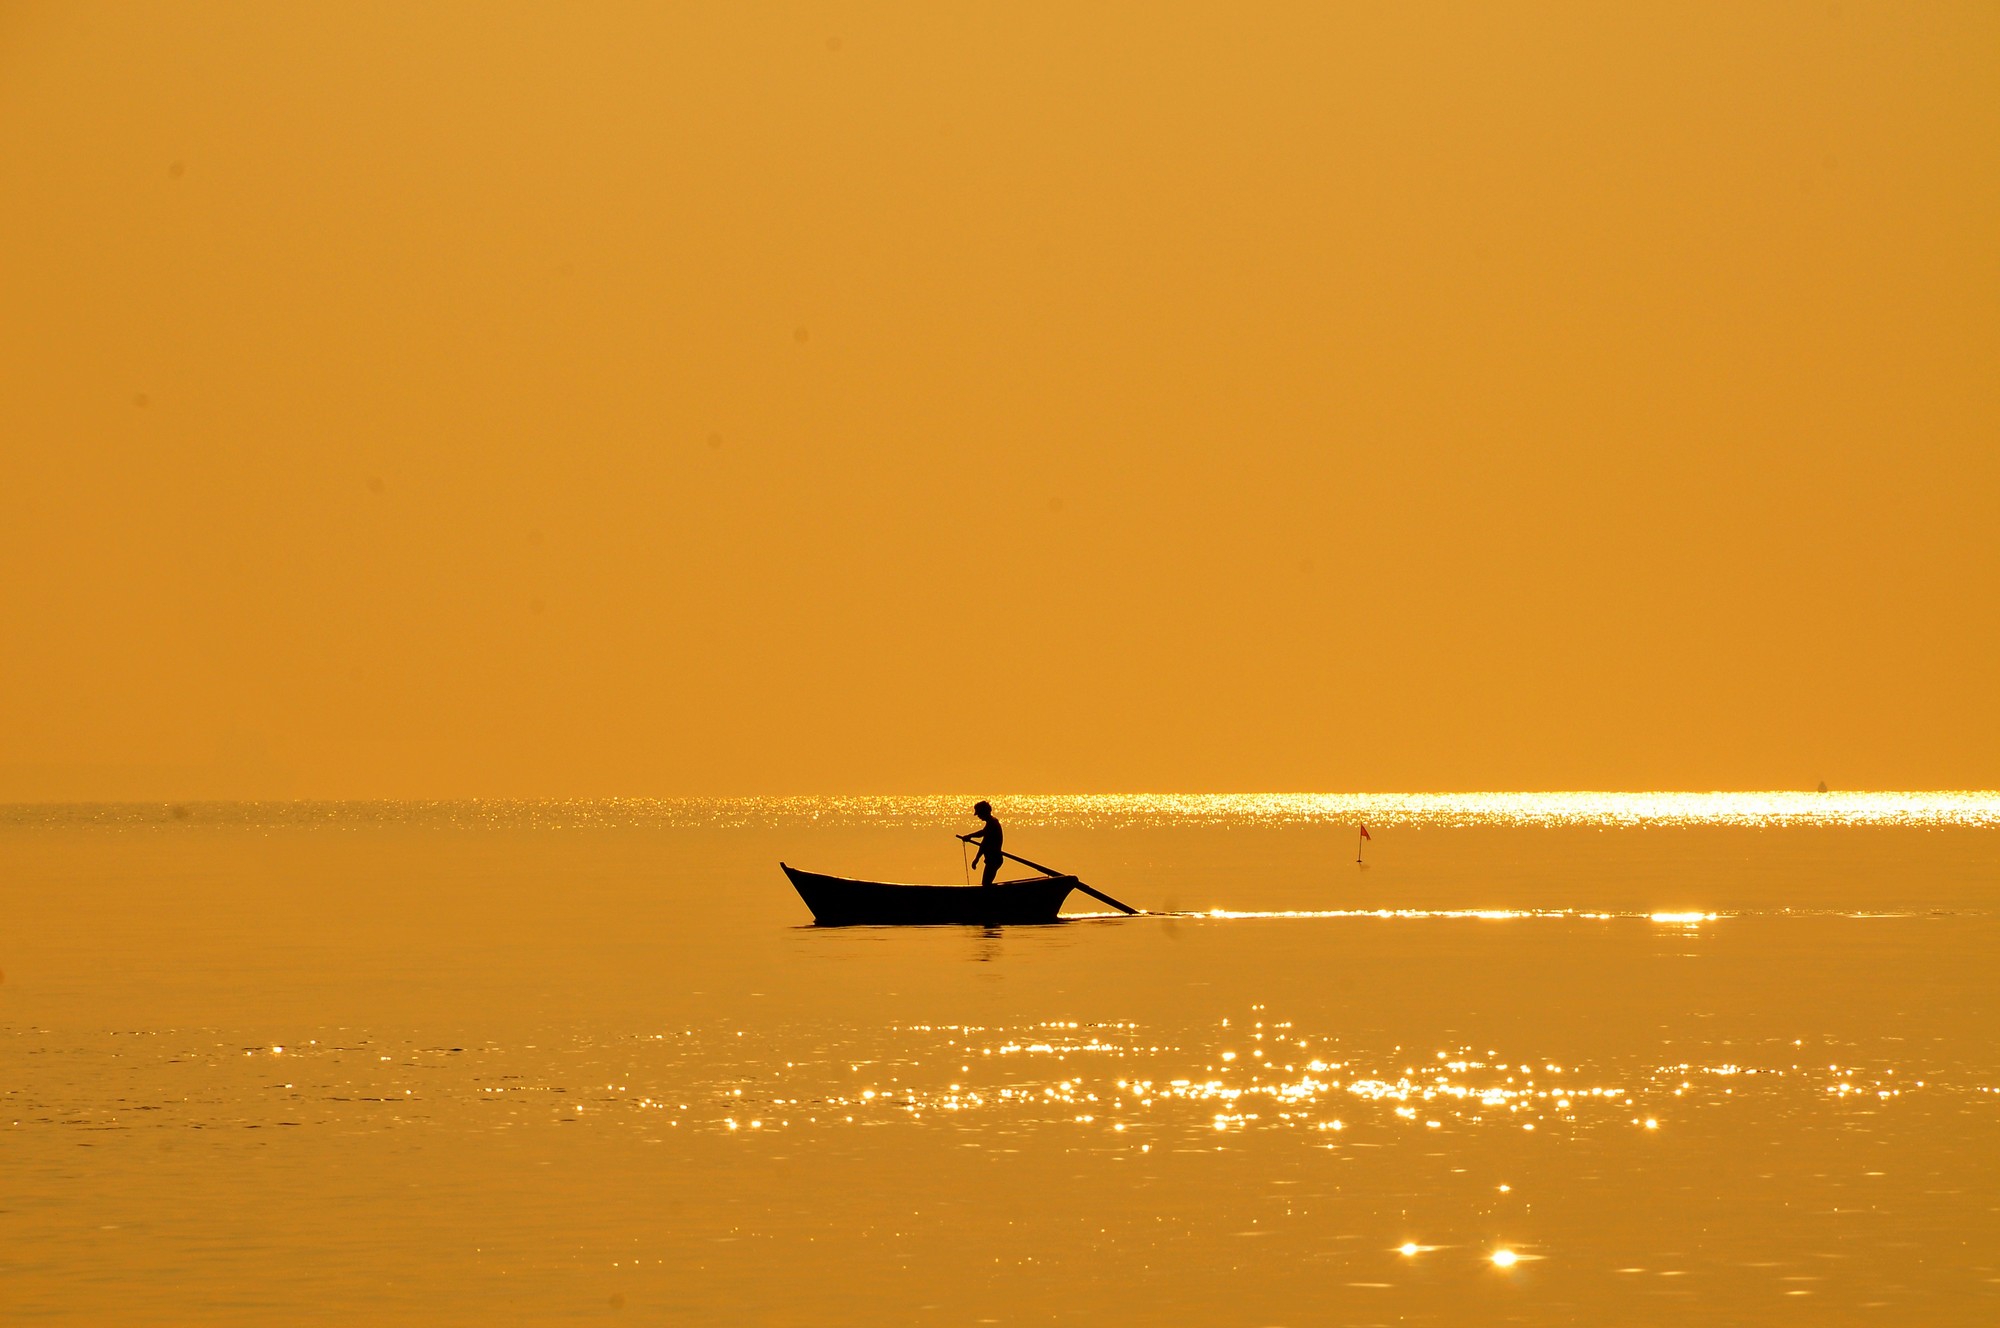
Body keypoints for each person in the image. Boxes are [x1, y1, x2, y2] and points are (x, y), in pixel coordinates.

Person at [957, 800, 1004, 887]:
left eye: (979, 813)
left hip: (994, 859)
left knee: (986, 884)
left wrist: (969, 836)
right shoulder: (989, 823)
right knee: (986, 883)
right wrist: (977, 859)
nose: (978, 816)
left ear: (984, 812)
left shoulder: (993, 823)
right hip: (991, 859)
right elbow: (983, 845)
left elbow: (982, 833)